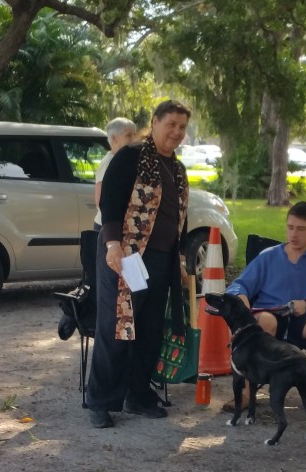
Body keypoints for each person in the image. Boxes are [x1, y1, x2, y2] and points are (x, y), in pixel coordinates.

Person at [85, 100, 192, 428]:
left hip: (161, 261)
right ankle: (100, 401)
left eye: (182, 127)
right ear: (155, 122)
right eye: (171, 124)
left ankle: (138, 395)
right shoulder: (131, 156)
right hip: (127, 257)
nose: (176, 132)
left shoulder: (177, 168)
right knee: (118, 329)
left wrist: (181, 258)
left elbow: (180, 217)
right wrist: (112, 244)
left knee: (149, 331)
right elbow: (109, 203)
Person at [224, 201, 306, 415]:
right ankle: (245, 394)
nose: (294, 234)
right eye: (290, 227)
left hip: (303, 318)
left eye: (301, 229)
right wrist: (242, 297)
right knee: (265, 321)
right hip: (271, 315)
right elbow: (238, 285)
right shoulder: (268, 256)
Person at [93, 117, 137, 231]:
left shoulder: (124, 160)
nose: (134, 139)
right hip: (108, 227)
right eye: (128, 135)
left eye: (134, 134)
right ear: (114, 138)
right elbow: (99, 199)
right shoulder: (109, 162)